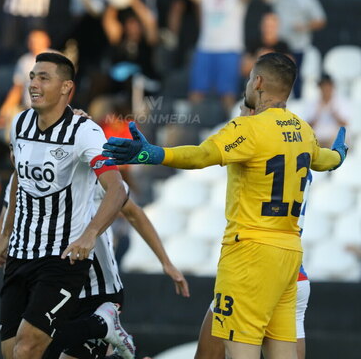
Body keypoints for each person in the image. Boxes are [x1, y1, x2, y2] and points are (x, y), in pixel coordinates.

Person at [103, 52, 348, 358]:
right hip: (289, 256)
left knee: (236, 352)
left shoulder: (249, 129)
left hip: (250, 253)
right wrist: (339, 154)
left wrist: (152, 154)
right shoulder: (303, 130)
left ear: (257, 81)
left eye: (249, 78)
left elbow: (201, 155)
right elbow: (327, 160)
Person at [0, 52, 129, 359]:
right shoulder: (20, 123)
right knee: (12, 353)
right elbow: (18, 178)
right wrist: (7, 232)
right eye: (32, 77)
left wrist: (90, 234)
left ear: (66, 88)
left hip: (61, 259)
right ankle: (101, 330)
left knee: (27, 347)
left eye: (43, 78)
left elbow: (117, 190)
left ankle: (101, 327)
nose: (34, 84)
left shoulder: (85, 132)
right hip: (21, 255)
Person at [0, 170, 190, 359]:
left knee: (30, 347)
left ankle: (102, 324)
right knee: (20, 350)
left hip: (96, 289)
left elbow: (133, 213)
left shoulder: (86, 168)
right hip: (48, 284)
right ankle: (105, 332)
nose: (18, 148)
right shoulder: (20, 176)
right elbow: (6, 220)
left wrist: (166, 262)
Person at [193, 104, 312, 359]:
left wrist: (153, 154)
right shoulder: (297, 146)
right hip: (292, 271)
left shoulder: (254, 142)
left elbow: (202, 156)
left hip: (254, 266)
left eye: (243, 112)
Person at [178, 0, 256, 114]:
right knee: (196, 92)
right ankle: (189, 129)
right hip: (204, 49)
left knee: (227, 95)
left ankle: (230, 129)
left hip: (230, 51)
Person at [259, 0, 326, 99]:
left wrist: (305, 26)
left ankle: (295, 107)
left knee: (294, 78)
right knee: (275, 77)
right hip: (279, 44)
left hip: (297, 46)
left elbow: (321, 20)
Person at [241, 12, 291, 77]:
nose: (268, 29)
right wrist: (258, 59)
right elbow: (244, 70)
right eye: (266, 26)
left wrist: (273, 59)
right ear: (261, 26)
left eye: (272, 26)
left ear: (277, 27)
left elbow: (290, 70)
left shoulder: (283, 46)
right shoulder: (253, 44)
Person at [306, 74, 349, 148]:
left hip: (334, 140)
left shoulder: (340, 102)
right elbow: (307, 126)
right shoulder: (313, 103)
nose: (325, 89)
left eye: (328, 86)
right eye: (323, 86)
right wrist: (318, 113)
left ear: (332, 87)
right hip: (317, 140)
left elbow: (345, 124)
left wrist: (333, 112)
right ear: (319, 88)